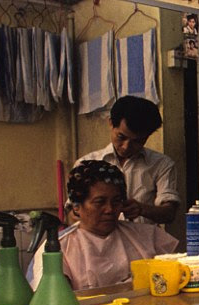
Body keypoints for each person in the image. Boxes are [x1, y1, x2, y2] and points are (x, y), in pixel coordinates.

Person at [27, 161, 178, 291]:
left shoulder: (148, 236)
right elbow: (55, 300)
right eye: (100, 202)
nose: (110, 210)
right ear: (76, 206)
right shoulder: (57, 249)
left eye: (116, 201)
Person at [73, 96, 180, 225]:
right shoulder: (85, 164)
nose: (126, 146)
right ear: (111, 123)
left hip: (141, 243)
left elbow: (169, 213)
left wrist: (142, 209)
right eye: (121, 137)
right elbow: (71, 215)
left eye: (137, 141)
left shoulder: (161, 165)